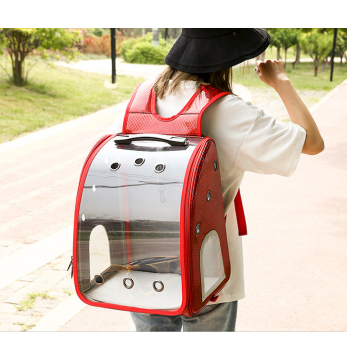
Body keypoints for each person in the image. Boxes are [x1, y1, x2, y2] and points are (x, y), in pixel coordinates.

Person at [107, 28, 324, 332]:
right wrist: (281, 82)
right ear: (228, 57)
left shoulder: (142, 97)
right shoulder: (230, 111)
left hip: (142, 263)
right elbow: (312, 142)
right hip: (206, 271)